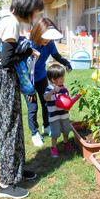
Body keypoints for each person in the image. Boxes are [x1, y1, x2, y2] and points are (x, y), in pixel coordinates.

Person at [0, 0, 43, 199]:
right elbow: (7, 60)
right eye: (36, 11)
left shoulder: (7, 21)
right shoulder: (11, 24)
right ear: (27, 9)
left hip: (5, 81)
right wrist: (28, 50)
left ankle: (17, 171)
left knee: (15, 126)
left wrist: (26, 49)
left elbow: (9, 55)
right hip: (4, 81)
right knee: (8, 129)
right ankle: (5, 183)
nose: (36, 16)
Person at [26, 18, 72, 147]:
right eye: (45, 39)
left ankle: (46, 126)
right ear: (38, 33)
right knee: (32, 107)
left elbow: (56, 55)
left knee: (46, 102)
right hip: (28, 81)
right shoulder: (29, 45)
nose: (47, 42)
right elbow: (23, 69)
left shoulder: (50, 43)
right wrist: (28, 88)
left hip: (41, 76)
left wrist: (66, 63)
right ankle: (35, 133)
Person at [44, 64, 74, 158]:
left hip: (64, 114)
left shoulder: (64, 88)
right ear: (53, 79)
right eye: (61, 77)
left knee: (66, 130)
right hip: (54, 116)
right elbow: (46, 98)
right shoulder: (49, 88)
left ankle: (66, 143)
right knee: (55, 133)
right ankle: (54, 148)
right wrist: (53, 91)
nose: (63, 79)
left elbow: (67, 100)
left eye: (63, 77)